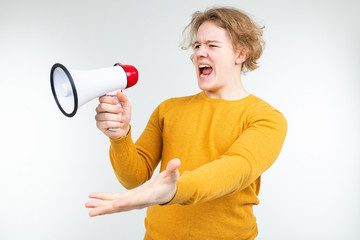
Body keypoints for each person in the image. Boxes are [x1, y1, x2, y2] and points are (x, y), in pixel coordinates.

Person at [85, 6, 287, 240]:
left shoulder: (267, 118)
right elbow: (134, 177)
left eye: (212, 45)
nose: (201, 52)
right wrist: (119, 136)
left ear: (241, 53)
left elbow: (235, 169)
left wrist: (173, 190)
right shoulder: (168, 109)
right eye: (197, 45)